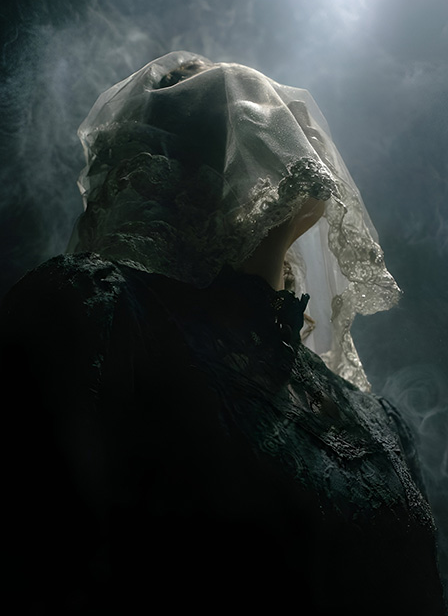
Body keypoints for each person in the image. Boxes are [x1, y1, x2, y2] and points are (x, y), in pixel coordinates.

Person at [1, 51, 445, 615]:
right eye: (250, 108)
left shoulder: (374, 417)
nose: (295, 118)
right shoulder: (101, 313)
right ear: (185, 167)